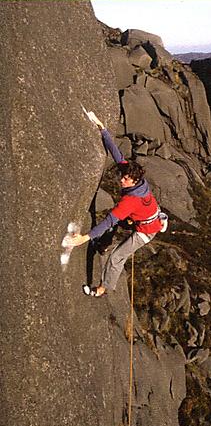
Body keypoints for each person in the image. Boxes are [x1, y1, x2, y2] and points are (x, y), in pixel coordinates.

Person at [70, 114, 166, 297]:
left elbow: (108, 220)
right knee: (115, 227)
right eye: (123, 177)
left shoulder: (130, 201)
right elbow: (117, 155)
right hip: (142, 217)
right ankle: (103, 244)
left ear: (134, 180)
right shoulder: (136, 180)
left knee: (116, 258)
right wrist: (102, 130)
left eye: (125, 179)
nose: (121, 180)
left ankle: (101, 289)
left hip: (146, 230)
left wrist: (84, 238)